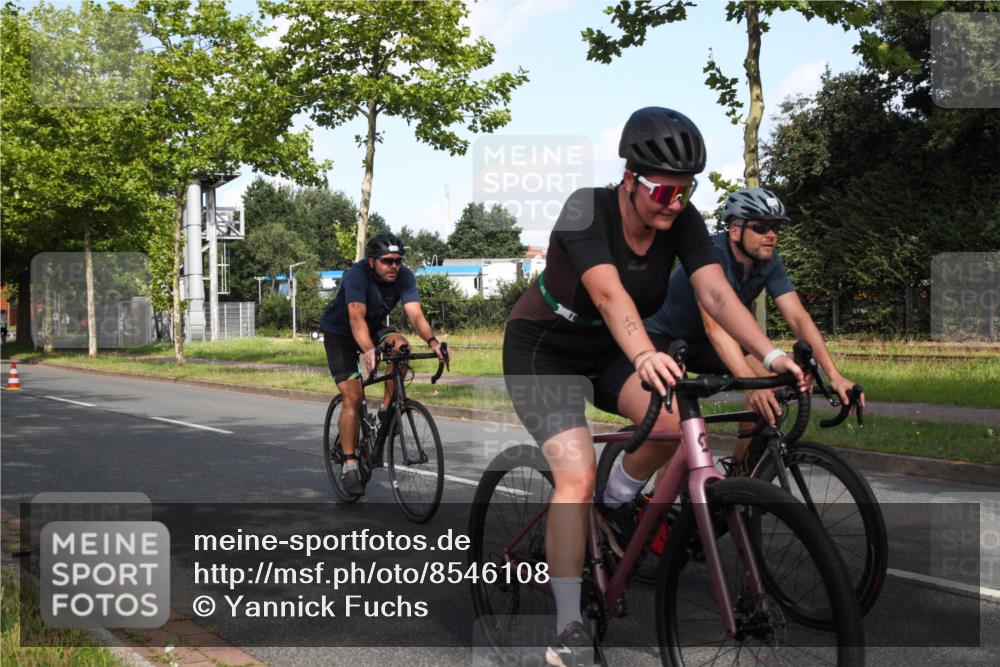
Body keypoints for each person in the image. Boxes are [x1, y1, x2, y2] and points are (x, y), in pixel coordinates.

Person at [502, 107, 807, 667]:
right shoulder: (586, 209)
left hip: (608, 348)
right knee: (576, 475)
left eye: (685, 192)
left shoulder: (681, 221)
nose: (675, 203)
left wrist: (771, 354)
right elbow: (608, 293)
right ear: (630, 179)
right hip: (544, 350)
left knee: (672, 423)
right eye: (664, 192)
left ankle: (615, 504)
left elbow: (717, 295)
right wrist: (645, 354)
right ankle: (568, 626)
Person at [643, 187, 865, 465]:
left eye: (775, 228)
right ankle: (659, 492)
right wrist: (750, 384)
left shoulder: (769, 261)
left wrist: (834, 375)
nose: (771, 235)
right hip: (664, 338)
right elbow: (716, 328)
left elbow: (798, 317)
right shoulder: (711, 255)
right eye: (760, 227)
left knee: (768, 384)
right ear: (735, 231)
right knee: (682, 427)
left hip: (706, 343)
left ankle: (740, 475)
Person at [319, 233, 446, 495]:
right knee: (353, 396)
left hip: (373, 327)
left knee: (401, 348)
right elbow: (356, 317)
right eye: (387, 261)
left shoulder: (404, 276)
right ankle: (349, 465)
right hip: (341, 333)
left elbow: (415, 314)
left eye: (398, 261)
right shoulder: (356, 275)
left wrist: (433, 342)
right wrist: (368, 349)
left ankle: (386, 412)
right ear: (372, 261)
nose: (394, 266)